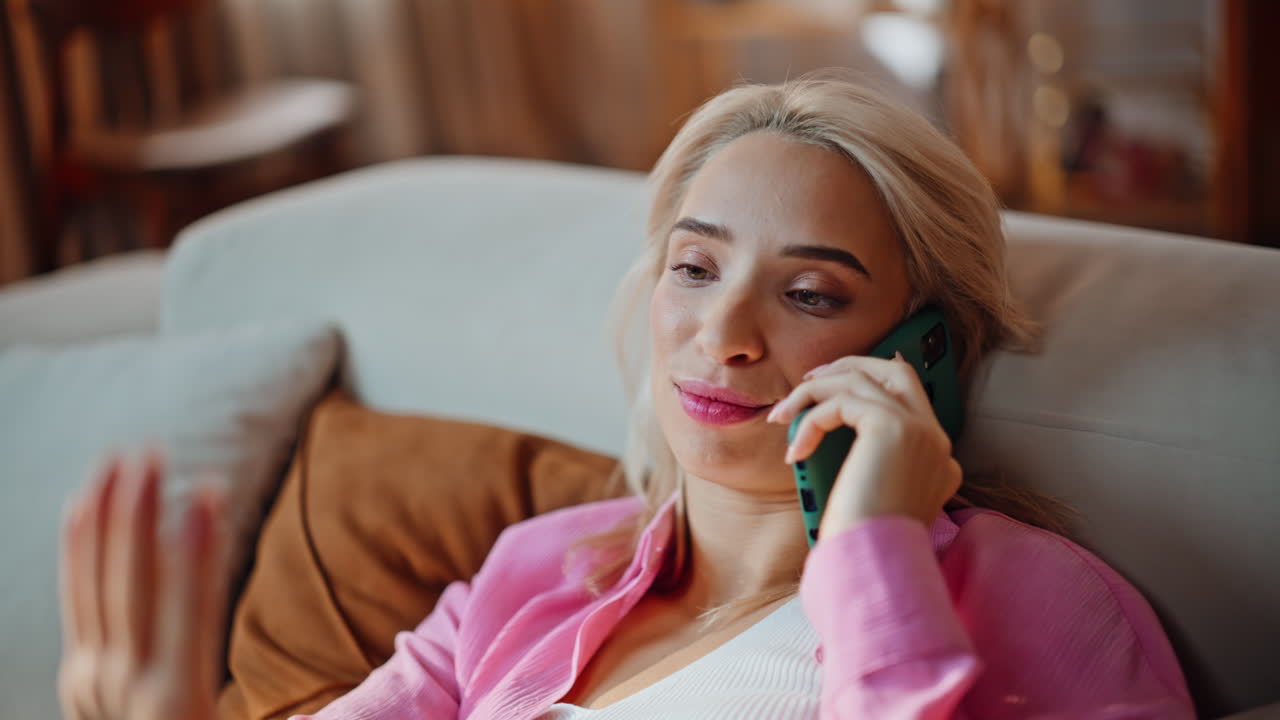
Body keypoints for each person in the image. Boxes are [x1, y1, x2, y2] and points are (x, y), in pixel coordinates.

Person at [57, 74, 1196, 719]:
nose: (722, 335)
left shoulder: (1050, 609)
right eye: (694, 269)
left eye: (806, 293)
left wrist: (874, 547)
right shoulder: (533, 576)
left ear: (922, 346)